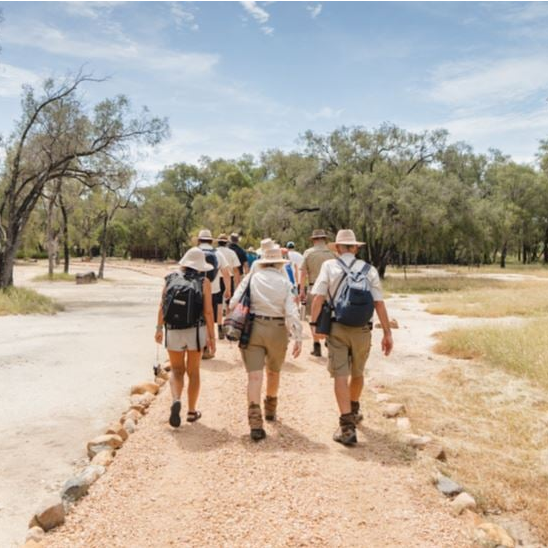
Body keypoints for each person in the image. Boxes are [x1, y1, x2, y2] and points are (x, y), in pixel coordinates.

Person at [310, 229, 393, 446]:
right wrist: (387, 332)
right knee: (358, 372)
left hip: (338, 327)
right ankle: (354, 408)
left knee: (340, 375)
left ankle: (347, 428)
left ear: (337, 248)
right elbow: (379, 303)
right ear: (355, 248)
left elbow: (318, 298)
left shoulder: (329, 266)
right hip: (363, 330)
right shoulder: (370, 270)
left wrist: (314, 325)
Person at [230, 245, 302, 442]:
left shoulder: (252, 278)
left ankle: (255, 423)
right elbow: (291, 311)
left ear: (261, 261)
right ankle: (270, 409)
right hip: (278, 330)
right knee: (274, 372)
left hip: (253, 329)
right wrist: (298, 336)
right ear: (279, 263)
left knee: (254, 377)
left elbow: (233, 302)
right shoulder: (284, 281)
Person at [155, 247, 216, 427]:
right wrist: (211, 337)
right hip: (195, 331)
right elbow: (208, 311)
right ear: (200, 266)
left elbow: (161, 306)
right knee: (194, 371)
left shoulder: (170, 278)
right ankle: (191, 411)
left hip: (173, 330)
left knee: (176, 370)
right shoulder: (204, 282)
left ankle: (176, 400)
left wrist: (159, 329)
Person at [299, 229, 335, 357]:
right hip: (330, 290)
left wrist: (301, 290)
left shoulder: (308, 253)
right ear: (324, 239)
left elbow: (303, 273)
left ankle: (316, 344)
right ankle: (328, 340)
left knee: (312, 316)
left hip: (313, 288)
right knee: (329, 315)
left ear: (314, 240)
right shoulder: (332, 254)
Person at [197, 229, 231, 349]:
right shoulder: (218, 253)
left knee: (197, 318)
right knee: (209, 318)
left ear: (199, 240)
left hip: (196, 291)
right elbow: (226, 273)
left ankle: (198, 345)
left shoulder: (193, 252)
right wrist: (228, 289)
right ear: (211, 240)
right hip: (214, 290)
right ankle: (208, 344)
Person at [216, 233, 242, 326]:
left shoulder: (214, 252)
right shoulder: (231, 253)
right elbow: (236, 269)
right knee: (228, 302)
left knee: (218, 302)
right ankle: (226, 322)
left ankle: (219, 324)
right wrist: (237, 282)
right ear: (227, 243)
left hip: (216, 279)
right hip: (229, 278)